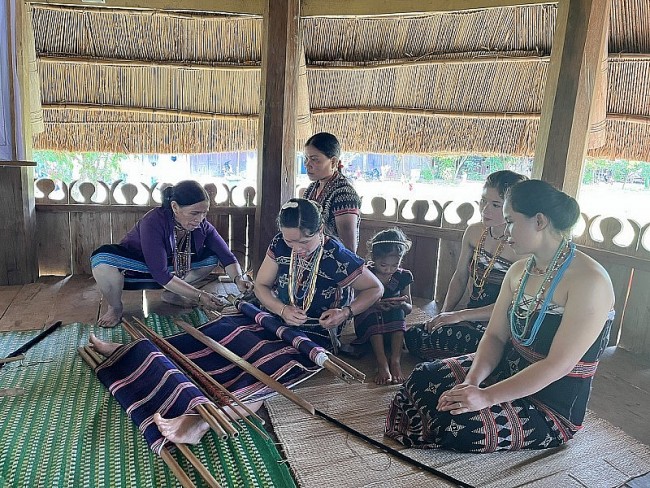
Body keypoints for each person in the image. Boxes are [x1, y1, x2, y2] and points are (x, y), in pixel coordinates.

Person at [386, 179, 615, 452]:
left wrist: (485, 397)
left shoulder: (590, 281)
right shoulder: (519, 270)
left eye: (510, 221)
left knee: (463, 427)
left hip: (551, 401)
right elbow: (494, 336)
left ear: (539, 221)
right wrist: (471, 383)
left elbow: (558, 365)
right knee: (423, 378)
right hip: (505, 369)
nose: (505, 232)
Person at [91, 180, 253, 327]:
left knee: (211, 258)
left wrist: (239, 279)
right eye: (194, 213)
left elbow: (227, 257)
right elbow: (160, 273)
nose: (200, 219)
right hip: (134, 271)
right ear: (175, 207)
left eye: (204, 213)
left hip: (170, 273)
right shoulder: (153, 221)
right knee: (102, 260)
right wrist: (199, 295)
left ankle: (172, 293)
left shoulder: (202, 226)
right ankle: (115, 307)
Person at [405, 170, 527, 360]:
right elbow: (460, 276)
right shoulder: (474, 232)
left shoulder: (520, 246)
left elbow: (510, 307)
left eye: (495, 205)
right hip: (469, 315)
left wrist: (460, 316)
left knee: (463, 342)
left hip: (498, 324)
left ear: (513, 208)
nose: (485, 209)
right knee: (414, 336)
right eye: (483, 201)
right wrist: (444, 314)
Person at [254, 198, 383, 349]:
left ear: (320, 229)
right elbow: (261, 285)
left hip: (320, 329)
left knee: (288, 356)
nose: (296, 249)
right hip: (279, 316)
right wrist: (282, 310)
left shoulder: (336, 255)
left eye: (304, 242)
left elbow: (376, 288)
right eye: (289, 241)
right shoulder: (279, 244)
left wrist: (344, 313)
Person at [351, 228, 413, 385]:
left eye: (394, 265)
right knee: (373, 311)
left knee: (398, 312)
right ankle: (381, 361)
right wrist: (374, 303)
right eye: (383, 264)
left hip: (393, 325)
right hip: (368, 324)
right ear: (373, 257)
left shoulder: (403, 276)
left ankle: (396, 361)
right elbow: (356, 303)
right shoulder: (366, 273)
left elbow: (409, 308)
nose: (388, 270)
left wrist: (402, 304)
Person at [302, 132, 361, 252]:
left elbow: (348, 249)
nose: (307, 164)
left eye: (315, 160)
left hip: (335, 264)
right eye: (306, 159)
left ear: (333, 162)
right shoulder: (311, 190)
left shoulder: (344, 195)